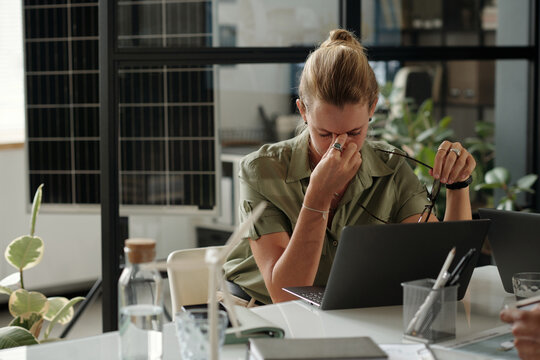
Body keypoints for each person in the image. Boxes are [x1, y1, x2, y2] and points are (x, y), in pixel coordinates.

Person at [223, 29, 476, 305]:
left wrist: (457, 185)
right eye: (325, 134)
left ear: (372, 109)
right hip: (259, 311)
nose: (339, 146)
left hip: (350, 311)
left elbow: (442, 269)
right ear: (303, 111)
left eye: (354, 132)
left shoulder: (391, 166)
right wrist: (317, 198)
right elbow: (284, 294)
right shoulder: (261, 170)